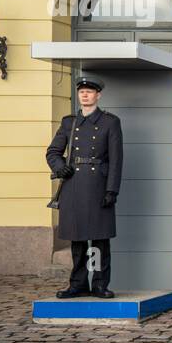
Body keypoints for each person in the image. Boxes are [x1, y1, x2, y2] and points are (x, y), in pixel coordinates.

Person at [46, 75, 123, 299]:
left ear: (98, 95)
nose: (85, 94)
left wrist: (112, 190)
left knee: (99, 239)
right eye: (82, 91)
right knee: (77, 239)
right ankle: (78, 284)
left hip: (98, 186)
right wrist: (60, 168)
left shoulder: (110, 122)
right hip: (74, 186)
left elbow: (116, 160)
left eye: (90, 91)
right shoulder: (69, 122)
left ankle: (99, 284)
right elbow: (53, 152)